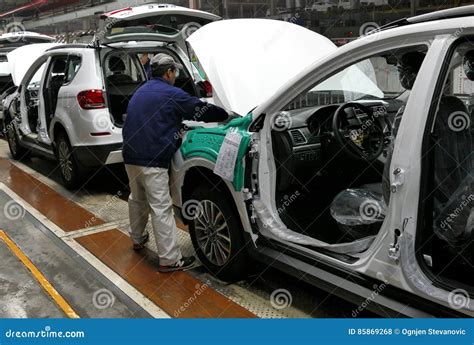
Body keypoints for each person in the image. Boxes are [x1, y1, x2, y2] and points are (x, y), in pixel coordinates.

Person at [122, 53, 229, 272]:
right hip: (153, 158)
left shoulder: (141, 90)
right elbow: (201, 110)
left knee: (137, 199)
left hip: (130, 155)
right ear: (169, 72)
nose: (175, 76)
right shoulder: (172, 93)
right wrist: (226, 114)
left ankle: (137, 238)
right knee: (161, 207)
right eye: (175, 72)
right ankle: (170, 259)